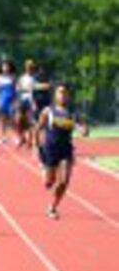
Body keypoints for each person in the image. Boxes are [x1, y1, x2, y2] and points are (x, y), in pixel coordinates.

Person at [35, 83, 88, 219]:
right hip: (50, 149)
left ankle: (52, 207)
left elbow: (82, 128)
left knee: (64, 181)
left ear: (68, 96)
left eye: (65, 93)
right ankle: (43, 168)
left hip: (66, 149)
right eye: (60, 92)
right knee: (49, 182)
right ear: (55, 95)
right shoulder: (48, 111)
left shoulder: (72, 113)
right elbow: (37, 129)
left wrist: (84, 131)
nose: (62, 95)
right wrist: (36, 147)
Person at [16, 59, 36, 148]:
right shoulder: (22, 77)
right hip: (22, 100)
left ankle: (30, 141)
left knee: (30, 121)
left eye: (30, 66)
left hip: (31, 100)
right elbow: (18, 88)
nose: (29, 68)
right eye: (27, 66)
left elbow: (35, 88)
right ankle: (22, 137)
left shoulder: (35, 78)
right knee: (18, 120)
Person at [0, 60, 17, 143]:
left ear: (10, 67)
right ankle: (3, 136)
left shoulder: (13, 77)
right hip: (2, 100)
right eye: (4, 66)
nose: (5, 68)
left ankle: (15, 136)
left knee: (12, 119)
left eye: (7, 66)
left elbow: (15, 90)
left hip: (11, 100)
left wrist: (15, 101)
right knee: (2, 119)